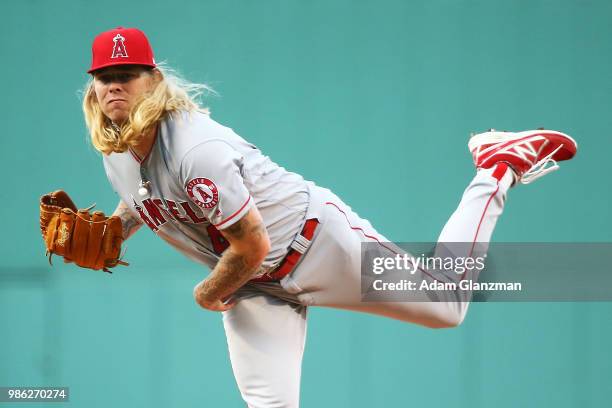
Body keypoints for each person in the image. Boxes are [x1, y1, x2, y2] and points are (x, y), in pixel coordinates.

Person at [82, 27, 577, 408]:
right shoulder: (117, 150)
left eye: (126, 75)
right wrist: (117, 231)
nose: (114, 85)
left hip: (316, 246)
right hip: (254, 285)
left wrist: (207, 291)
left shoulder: (198, 148)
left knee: (446, 304)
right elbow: (148, 195)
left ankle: (496, 166)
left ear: (154, 81)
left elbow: (249, 246)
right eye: (104, 77)